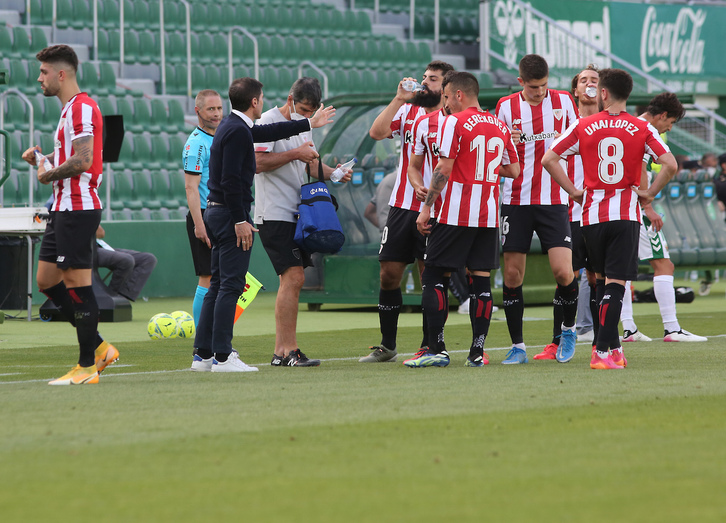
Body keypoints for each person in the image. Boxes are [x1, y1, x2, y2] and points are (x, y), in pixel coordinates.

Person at [190, 77, 334, 373]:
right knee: (230, 285)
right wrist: (241, 219)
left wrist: (308, 124)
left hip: (217, 213)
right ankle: (222, 355)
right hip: (230, 215)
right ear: (255, 101)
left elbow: (271, 130)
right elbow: (231, 180)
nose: (264, 102)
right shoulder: (237, 130)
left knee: (217, 285)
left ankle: (203, 354)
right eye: (262, 98)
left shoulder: (234, 126)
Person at [543, 67, 677, 369]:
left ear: (604, 93)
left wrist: (573, 191)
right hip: (625, 214)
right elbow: (669, 163)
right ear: (627, 95)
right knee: (616, 284)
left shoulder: (583, 125)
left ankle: (614, 348)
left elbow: (549, 158)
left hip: (590, 216)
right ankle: (601, 351)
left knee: (602, 282)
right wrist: (650, 193)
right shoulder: (642, 129)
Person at [405, 71, 519, 367]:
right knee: (481, 283)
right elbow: (514, 170)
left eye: (446, 97)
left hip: (455, 213)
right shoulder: (498, 124)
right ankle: (477, 353)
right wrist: (484, 166)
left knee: (433, 276)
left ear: (458, 95)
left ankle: (437, 349)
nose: (445, 104)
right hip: (487, 215)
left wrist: (426, 208)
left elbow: (442, 168)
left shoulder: (454, 122)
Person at [21, 44, 118, 385]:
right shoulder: (69, 111)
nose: (39, 78)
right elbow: (71, 155)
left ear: (61, 75)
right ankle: (101, 347)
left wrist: (47, 174)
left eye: (44, 72)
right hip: (62, 209)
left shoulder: (82, 108)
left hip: (77, 208)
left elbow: (83, 161)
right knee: (47, 281)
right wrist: (43, 158)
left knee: (78, 285)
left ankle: (87, 365)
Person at [360, 60, 455, 364]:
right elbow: (376, 132)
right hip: (402, 205)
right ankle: (387, 345)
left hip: (439, 207)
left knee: (431, 276)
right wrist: (400, 98)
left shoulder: (455, 117)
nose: (426, 83)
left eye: (434, 79)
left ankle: (430, 345)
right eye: (425, 77)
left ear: (447, 87)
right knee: (388, 274)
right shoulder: (409, 109)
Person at [254, 77, 352, 367]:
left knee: (291, 279)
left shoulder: (303, 126)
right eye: (303, 109)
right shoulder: (269, 122)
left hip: (295, 213)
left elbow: (308, 162)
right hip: (274, 211)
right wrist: (297, 152)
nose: (306, 116)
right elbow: (258, 163)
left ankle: (280, 352)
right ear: (290, 99)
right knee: (295, 277)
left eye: (311, 112)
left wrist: (333, 172)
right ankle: (290, 350)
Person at [495, 54, 580, 364]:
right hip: (516, 201)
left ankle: (567, 331)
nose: (540, 91)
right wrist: (508, 141)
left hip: (554, 199)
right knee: (513, 276)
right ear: (521, 83)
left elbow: (578, 140)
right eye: (533, 87)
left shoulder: (564, 102)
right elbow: (497, 151)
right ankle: (518, 346)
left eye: (544, 85)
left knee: (563, 271)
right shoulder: (506, 107)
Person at [618, 93, 707, 343]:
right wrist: (648, 205)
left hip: (616, 207)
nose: (669, 127)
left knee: (621, 270)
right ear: (662, 115)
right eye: (671, 122)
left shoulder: (628, 125)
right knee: (663, 264)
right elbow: (643, 169)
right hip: (636, 209)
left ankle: (629, 329)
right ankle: (672, 329)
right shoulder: (647, 130)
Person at [534, 65, 600, 360]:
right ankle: (557, 340)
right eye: (583, 80)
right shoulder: (567, 122)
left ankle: (603, 341)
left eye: (594, 80)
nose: (589, 84)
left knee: (600, 277)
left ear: (603, 89)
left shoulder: (611, 123)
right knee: (568, 276)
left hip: (601, 210)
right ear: (575, 90)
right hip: (570, 208)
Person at [183, 89, 223, 327]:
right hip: (205, 216)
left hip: (221, 214)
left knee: (223, 279)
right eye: (211, 109)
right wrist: (199, 225)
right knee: (207, 277)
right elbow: (191, 188)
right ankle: (202, 337)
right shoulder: (196, 143)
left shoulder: (220, 136)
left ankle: (217, 335)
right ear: (198, 111)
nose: (216, 113)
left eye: (219, 108)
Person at [95, 225, 157, 301]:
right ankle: (110, 298)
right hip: (83, 251)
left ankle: (121, 299)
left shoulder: (88, 214)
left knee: (147, 259)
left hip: (100, 247)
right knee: (126, 260)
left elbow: (101, 233)